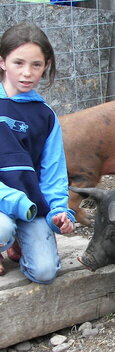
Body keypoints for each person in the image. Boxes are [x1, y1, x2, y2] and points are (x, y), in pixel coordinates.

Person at [0, 22, 75, 283]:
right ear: (2, 62)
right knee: (2, 228)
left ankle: (19, 244)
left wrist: (59, 213)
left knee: (44, 273)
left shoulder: (45, 116)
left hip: (31, 207)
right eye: (18, 63)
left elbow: (53, 173)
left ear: (46, 65)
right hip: (6, 206)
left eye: (36, 65)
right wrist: (16, 202)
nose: (27, 73)